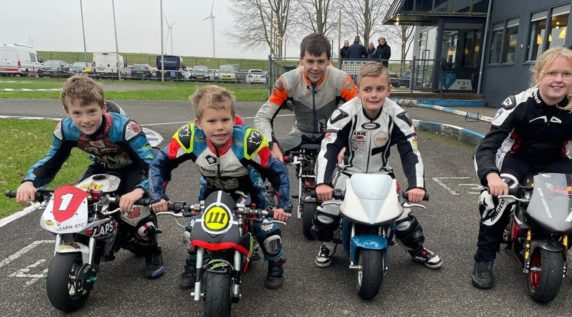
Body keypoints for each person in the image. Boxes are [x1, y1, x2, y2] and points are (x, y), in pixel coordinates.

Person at [471, 47, 572, 298]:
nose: (559, 79)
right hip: (517, 160)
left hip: (556, 161)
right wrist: (491, 176)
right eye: (552, 72)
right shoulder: (518, 103)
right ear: (538, 75)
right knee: (497, 196)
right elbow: (488, 146)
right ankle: (484, 259)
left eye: (566, 74)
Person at [15, 75, 165, 279]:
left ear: (103, 108)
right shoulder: (65, 130)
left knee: (136, 208)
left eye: (91, 111)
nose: (85, 120)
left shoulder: (125, 128)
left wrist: (139, 191)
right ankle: (89, 243)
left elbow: (153, 165)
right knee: (79, 202)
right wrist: (29, 182)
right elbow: (52, 160)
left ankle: (152, 250)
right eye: (77, 113)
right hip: (102, 167)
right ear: (67, 112)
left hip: (134, 168)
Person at [150, 85, 292, 290]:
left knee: (267, 229)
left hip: (249, 186)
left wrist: (284, 206)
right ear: (198, 123)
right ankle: (192, 263)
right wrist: (158, 196)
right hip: (211, 187)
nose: (220, 127)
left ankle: (276, 264)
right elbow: (160, 164)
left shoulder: (249, 141)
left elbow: (276, 171)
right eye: (212, 121)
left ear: (234, 119)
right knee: (193, 228)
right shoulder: (188, 137)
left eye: (225, 120)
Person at [312, 61, 443, 269]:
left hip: (382, 175)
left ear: (389, 90)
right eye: (368, 89)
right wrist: (322, 183)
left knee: (405, 224)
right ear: (358, 90)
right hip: (348, 174)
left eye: (380, 89)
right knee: (325, 217)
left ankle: (416, 250)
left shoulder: (398, 115)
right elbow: (328, 148)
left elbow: (410, 152)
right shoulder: (344, 114)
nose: (374, 95)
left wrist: (417, 186)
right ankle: (329, 244)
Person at [254, 33, 357, 161]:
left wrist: (346, 144)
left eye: (321, 61)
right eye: (310, 61)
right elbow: (262, 117)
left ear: (329, 60)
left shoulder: (342, 80)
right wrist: (271, 144)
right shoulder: (287, 81)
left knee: (360, 156)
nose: (315, 68)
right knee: (258, 156)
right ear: (301, 60)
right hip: (299, 136)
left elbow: (360, 114)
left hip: (331, 136)